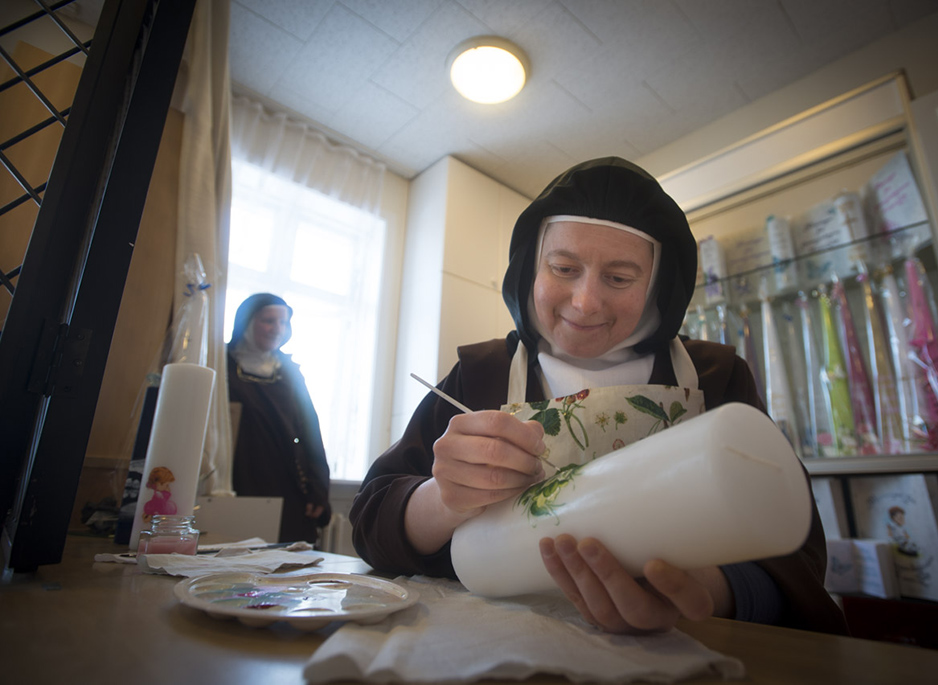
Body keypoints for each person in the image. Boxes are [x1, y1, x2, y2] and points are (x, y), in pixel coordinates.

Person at [350, 157, 848, 635]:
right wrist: (444, 499)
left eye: (619, 278)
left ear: (656, 286)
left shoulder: (715, 377)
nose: (586, 302)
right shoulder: (481, 373)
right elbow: (371, 520)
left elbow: (794, 546)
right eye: (563, 268)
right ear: (530, 270)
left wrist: (708, 590)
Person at [228, 293, 331, 543]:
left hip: (286, 483)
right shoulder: (223, 365)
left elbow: (310, 431)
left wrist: (319, 487)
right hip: (237, 479)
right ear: (246, 322)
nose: (277, 329)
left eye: (283, 323)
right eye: (268, 321)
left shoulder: (290, 371)